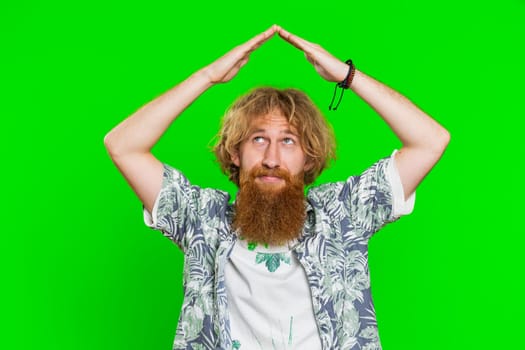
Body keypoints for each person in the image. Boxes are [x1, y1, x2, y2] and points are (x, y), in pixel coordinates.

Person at [104, 25, 450, 350]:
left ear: (309, 157)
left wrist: (348, 76)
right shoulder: (200, 219)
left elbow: (430, 141)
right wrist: (207, 77)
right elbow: (123, 145)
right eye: (258, 139)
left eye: (288, 141)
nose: (271, 158)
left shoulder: (345, 215)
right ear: (235, 152)